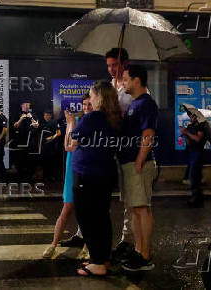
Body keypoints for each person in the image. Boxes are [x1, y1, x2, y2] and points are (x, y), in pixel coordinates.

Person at [71, 80, 122, 276]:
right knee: (101, 217)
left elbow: (73, 139)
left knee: (87, 218)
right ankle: (103, 259)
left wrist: (71, 124)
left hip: (87, 173)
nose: (90, 99)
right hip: (105, 173)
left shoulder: (93, 117)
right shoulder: (114, 118)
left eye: (92, 95)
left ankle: (98, 262)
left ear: (99, 97)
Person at [43, 93, 92, 258]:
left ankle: (88, 246)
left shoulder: (93, 123)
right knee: (66, 209)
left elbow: (72, 146)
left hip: (86, 170)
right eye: (84, 104)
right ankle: (53, 244)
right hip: (72, 170)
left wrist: (71, 124)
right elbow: (67, 146)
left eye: (90, 104)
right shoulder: (77, 121)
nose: (86, 108)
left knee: (86, 211)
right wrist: (71, 123)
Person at [119, 65, 158, 271]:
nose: (123, 82)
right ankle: (138, 249)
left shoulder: (146, 104)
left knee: (142, 208)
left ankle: (144, 255)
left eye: (125, 79)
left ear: (136, 80)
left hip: (138, 164)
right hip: (130, 163)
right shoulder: (135, 104)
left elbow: (148, 134)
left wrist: (139, 160)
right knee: (136, 209)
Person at [106, 47, 136, 262]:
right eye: (108, 66)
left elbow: (138, 118)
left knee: (129, 198)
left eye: (115, 65)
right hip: (108, 148)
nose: (112, 69)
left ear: (125, 64)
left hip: (128, 149)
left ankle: (128, 240)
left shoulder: (132, 87)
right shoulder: (110, 87)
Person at [180, 112, 206, 207]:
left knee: (195, 176)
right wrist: (185, 135)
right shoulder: (190, 126)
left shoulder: (201, 126)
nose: (191, 118)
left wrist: (187, 133)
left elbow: (198, 138)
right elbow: (189, 142)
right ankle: (195, 197)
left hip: (198, 153)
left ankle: (197, 198)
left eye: (193, 116)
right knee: (192, 176)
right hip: (191, 152)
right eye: (190, 116)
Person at [13, 101, 39, 181]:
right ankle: (20, 176)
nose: (27, 106)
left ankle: (30, 176)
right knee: (20, 159)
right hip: (21, 140)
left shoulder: (33, 115)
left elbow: (36, 125)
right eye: (25, 105)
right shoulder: (17, 114)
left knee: (30, 159)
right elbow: (15, 126)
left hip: (31, 141)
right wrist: (21, 119)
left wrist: (31, 117)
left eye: (28, 105)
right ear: (21, 105)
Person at [39, 110, 61, 182]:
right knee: (45, 162)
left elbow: (59, 133)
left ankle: (53, 177)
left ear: (51, 116)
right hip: (43, 147)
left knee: (52, 162)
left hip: (52, 146)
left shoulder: (54, 122)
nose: (47, 117)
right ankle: (45, 176)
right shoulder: (41, 123)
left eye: (48, 115)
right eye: (45, 115)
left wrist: (51, 138)